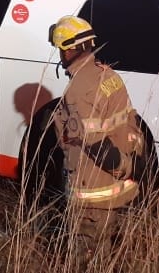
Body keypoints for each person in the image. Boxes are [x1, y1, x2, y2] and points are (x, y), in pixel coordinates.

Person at [48, 15, 145, 248]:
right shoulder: (109, 75)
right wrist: (137, 165)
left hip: (94, 196)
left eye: (60, 49)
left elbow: (96, 145)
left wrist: (127, 168)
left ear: (69, 50)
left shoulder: (79, 90)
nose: (60, 55)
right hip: (120, 191)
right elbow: (130, 122)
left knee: (86, 258)